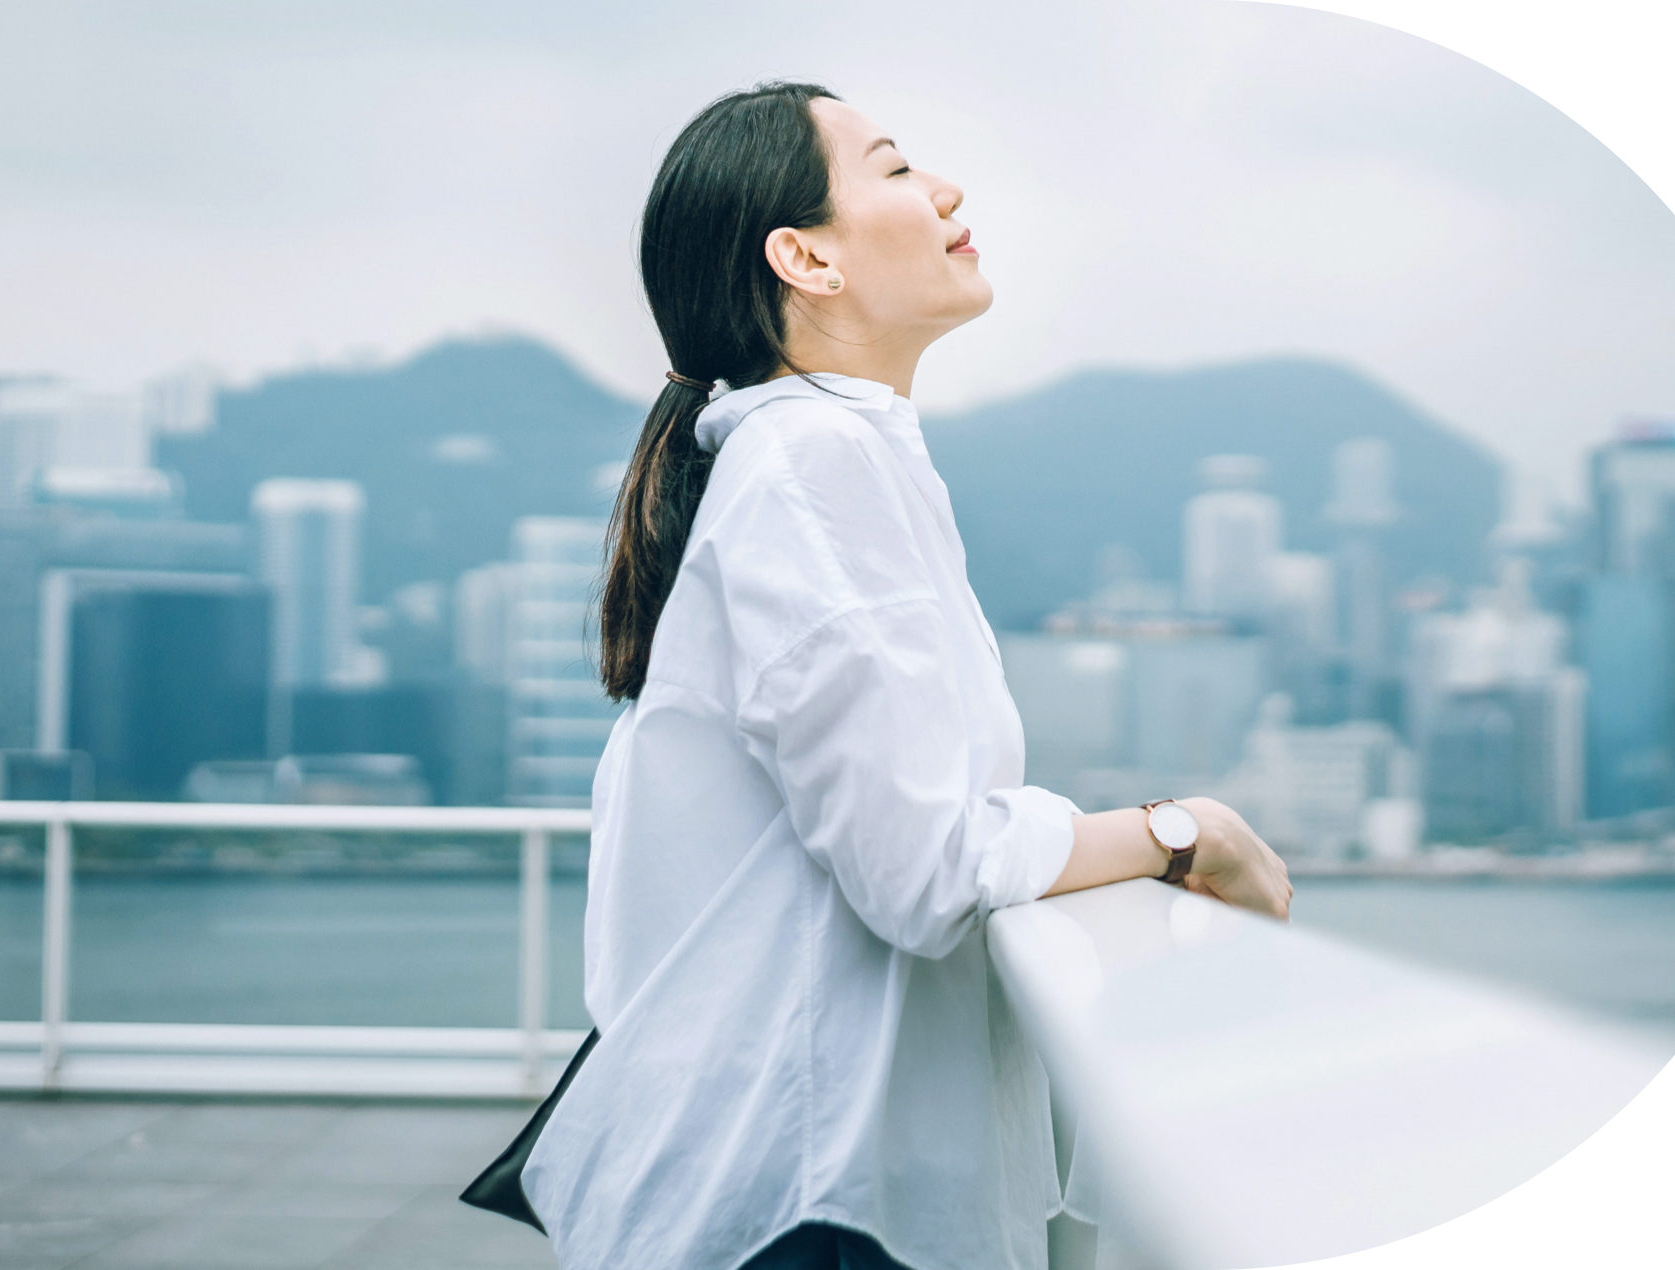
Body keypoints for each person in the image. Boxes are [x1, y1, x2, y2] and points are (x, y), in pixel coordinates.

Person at [519, 81, 1293, 1270]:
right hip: (803, 1199)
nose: (945, 190)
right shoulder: (814, 463)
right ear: (806, 258)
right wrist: (1183, 831)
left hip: (789, 1181)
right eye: (891, 168)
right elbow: (923, 867)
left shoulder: (817, 456)